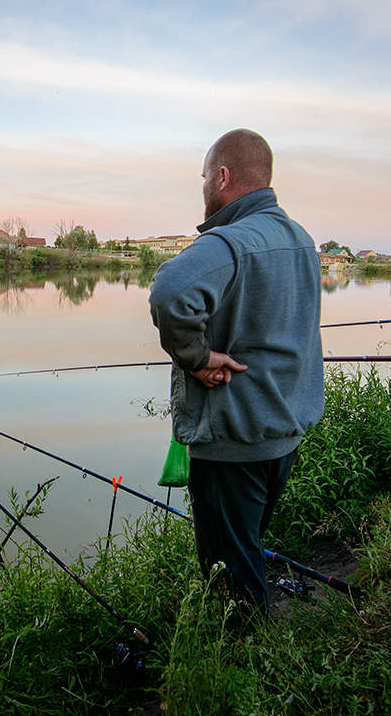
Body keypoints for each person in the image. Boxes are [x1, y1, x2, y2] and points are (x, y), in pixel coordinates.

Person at [149, 129, 324, 613]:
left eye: (206, 176)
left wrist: (198, 359)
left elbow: (170, 290)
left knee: (230, 573)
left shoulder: (233, 240)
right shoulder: (301, 240)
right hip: (282, 433)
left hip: (235, 438)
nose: (204, 186)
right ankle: (244, 649)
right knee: (246, 546)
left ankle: (240, 664)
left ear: (223, 177)